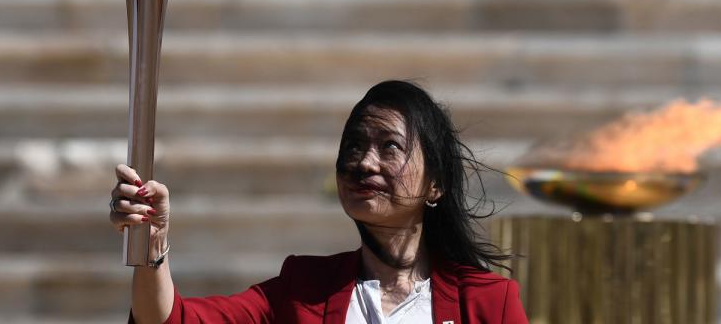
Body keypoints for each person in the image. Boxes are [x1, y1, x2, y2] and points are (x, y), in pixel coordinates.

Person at [111, 80, 528, 324]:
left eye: (389, 147)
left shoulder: (488, 303)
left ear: (435, 185)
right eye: (355, 145)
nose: (364, 163)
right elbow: (170, 320)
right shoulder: (302, 290)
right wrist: (152, 242)